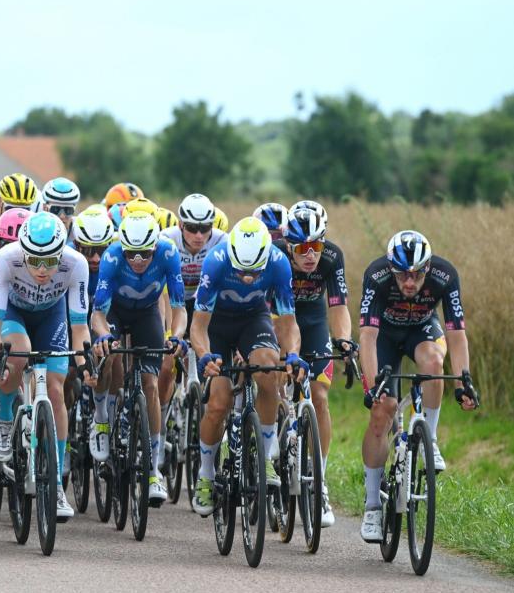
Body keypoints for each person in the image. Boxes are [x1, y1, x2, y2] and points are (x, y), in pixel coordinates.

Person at [357, 230, 478, 542]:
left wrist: (464, 381)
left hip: (422, 330)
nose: (409, 283)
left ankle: (430, 439)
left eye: (417, 275)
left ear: (428, 268)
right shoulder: (376, 275)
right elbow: (367, 338)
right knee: (382, 411)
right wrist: (373, 388)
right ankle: (372, 505)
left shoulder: (445, 275)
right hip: (383, 336)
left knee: (434, 364)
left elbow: (456, 334)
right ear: (392, 269)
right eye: (403, 276)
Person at [189, 217, 301, 517]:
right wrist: (203, 355)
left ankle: (265, 455)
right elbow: (198, 326)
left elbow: (289, 323)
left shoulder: (278, 262)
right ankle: (206, 474)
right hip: (218, 325)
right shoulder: (216, 262)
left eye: (254, 271)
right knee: (219, 403)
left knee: (269, 371)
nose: (248, 278)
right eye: (241, 270)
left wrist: (291, 355)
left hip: (254, 320)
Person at [0, 212, 90, 520]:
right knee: (18, 355)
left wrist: (85, 367)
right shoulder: (6, 259)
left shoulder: (76, 264)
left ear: (62, 252)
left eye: (50, 261)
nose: (42, 269)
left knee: (56, 390)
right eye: (34, 260)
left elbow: (80, 328)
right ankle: (5, 421)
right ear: (22, 251)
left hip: (51, 317)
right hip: (13, 315)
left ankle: (56, 486)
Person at [86, 211, 186, 504]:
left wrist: (176, 335)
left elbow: (179, 307)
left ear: (155, 247)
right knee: (111, 357)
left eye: (145, 253)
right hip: (115, 311)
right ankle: (102, 418)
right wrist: (104, 335)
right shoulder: (113, 257)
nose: (139, 259)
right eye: (133, 253)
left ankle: (153, 471)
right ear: (123, 246)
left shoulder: (168, 253)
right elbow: (98, 316)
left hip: (146, 314)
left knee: (151, 385)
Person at [275, 205, 351, 527]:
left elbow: (338, 307)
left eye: (316, 246)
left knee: (318, 396)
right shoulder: (275, 255)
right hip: (279, 318)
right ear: (289, 244)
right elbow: (265, 311)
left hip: (314, 320)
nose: (311, 255)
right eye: (303, 248)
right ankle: (270, 451)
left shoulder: (332, 258)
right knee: (277, 383)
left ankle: (318, 481)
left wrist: (344, 340)